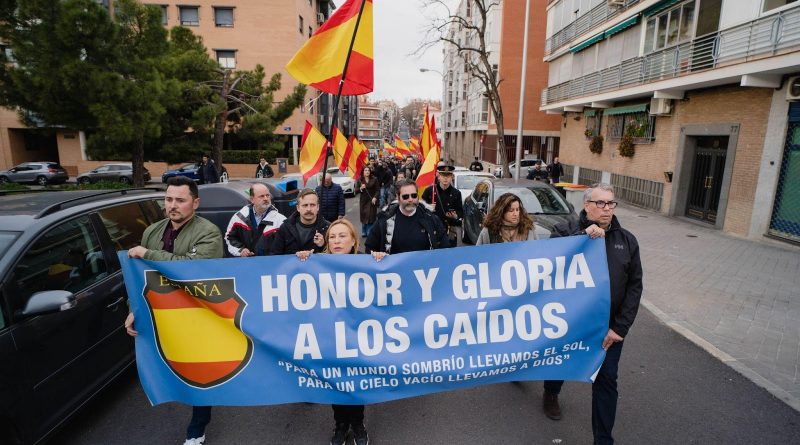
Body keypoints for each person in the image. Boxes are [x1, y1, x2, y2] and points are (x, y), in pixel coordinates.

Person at [123, 175, 224, 445]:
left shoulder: (209, 232)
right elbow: (139, 276)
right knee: (170, 368)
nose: (172, 205)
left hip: (198, 317)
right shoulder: (152, 231)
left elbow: (192, 271)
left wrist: (148, 254)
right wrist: (134, 309)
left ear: (195, 203)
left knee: (200, 373)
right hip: (164, 318)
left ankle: (197, 429)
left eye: (180, 200)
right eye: (168, 199)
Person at [541, 183, 643, 445]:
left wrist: (620, 328)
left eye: (611, 203)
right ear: (587, 206)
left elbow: (634, 286)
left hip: (607, 329)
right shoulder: (565, 230)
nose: (607, 209)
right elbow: (549, 263)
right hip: (570, 321)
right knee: (561, 362)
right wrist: (581, 237)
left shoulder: (626, 241)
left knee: (607, 380)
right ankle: (551, 392)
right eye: (600, 203)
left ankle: (603, 439)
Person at [295, 219, 382, 445]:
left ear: (353, 240)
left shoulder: (367, 263)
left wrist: (382, 261)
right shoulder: (316, 263)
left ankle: (358, 424)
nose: (337, 241)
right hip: (330, 335)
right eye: (332, 236)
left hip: (358, 334)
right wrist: (302, 259)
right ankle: (340, 425)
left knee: (355, 381)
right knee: (336, 381)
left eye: (342, 236)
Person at [365, 179, 450, 254]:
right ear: (398, 197)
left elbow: (445, 246)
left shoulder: (431, 219)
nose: (410, 199)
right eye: (405, 196)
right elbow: (370, 247)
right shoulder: (384, 220)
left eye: (414, 195)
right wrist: (377, 255)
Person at [224, 183, 286, 257]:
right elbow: (230, 238)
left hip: (271, 262)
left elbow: (287, 244)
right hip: (246, 262)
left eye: (267, 195)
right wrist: (241, 250)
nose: (266, 198)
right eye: (261, 196)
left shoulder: (280, 220)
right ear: (252, 199)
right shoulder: (239, 217)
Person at [269, 188, 330, 256]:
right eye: (305, 205)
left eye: (312, 205)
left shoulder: (328, 228)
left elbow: (334, 257)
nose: (309, 209)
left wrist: (322, 245)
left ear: (318, 207)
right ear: (298, 208)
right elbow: (275, 255)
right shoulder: (285, 228)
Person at [421, 164, 463, 245]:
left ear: (452, 177)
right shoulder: (430, 191)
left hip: (449, 229)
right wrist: (429, 207)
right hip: (433, 228)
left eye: (448, 176)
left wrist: (455, 216)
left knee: (450, 250)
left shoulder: (456, 193)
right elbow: (420, 209)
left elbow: (460, 211)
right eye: (443, 175)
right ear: (439, 176)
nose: (445, 178)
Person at [358, 166, 379, 237]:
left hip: (372, 200)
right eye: (365, 170)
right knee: (364, 216)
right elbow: (356, 190)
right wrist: (361, 188)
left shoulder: (374, 179)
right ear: (363, 172)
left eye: (368, 170)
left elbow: (377, 190)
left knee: (371, 216)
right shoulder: (360, 180)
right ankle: (364, 230)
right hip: (363, 201)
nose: (367, 172)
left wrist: (375, 197)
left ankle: (369, 231)